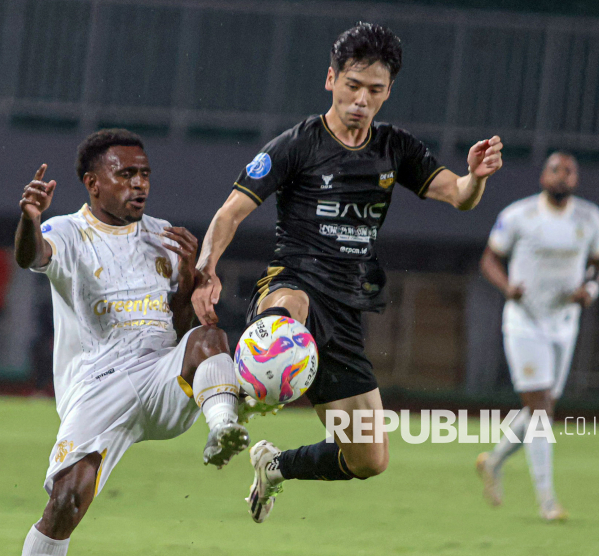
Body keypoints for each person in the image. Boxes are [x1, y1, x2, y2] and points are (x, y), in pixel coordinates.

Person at [191, 22, 503, 523]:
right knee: (286, 317)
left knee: (368, 460)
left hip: (345, 312)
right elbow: (229, 214)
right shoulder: (297, 145)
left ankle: (274, 465)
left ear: (388, 92)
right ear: (331, 79)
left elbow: (459, 197)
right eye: (352, 86)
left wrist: (475, 178)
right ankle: (228, 407)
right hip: (291, 284)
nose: (361, 99)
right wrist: (207, 271)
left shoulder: (395, 149)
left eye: (374, 90)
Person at [16, 129, 249, 556]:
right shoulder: (67, 231)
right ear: (93, 183)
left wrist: (185, 282)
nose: (139, 183)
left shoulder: (165, 236)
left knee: (208, 335)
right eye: (125, 174)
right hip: (98, 383)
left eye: (144, 174)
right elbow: (33, 256)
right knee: (67, 501)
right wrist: (30, 218)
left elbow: (183, 330)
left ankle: (223, 428)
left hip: (160, 374)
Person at [476, 151, 599, 521]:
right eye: (554, 169)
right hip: (525, 320)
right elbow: (489, 259)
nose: (561, 176)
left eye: (568, 170)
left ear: (575, 179)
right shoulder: (519, 215)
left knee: (544, 405)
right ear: (543, 177)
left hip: (564, 321)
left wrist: (591, 290)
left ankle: (494, 460)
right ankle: (547, 501)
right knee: (540, 410)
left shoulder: (590, 217)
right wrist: (507, 288)